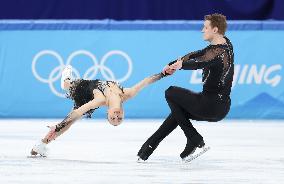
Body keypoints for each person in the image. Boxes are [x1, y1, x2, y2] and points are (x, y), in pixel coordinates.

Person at [137, 13, 234, 162]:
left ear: (215, 30)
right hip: (221, 107)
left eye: (205, 27)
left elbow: (199, 62)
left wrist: (180, 65)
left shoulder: (218, 52)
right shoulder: (226, 44)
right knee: (178, 112)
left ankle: (193, 137)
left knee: (171, 92)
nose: (202, 30)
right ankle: (147, 148)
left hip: (210, 105)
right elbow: (199, 54)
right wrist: (174, 64)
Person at [30, 65, 168, 157]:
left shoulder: (100, 100)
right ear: (123, 114)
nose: (116, 116)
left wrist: (59, 124)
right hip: (93, 87)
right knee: (67, 88)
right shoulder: (128, 93)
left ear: (107, 113)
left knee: (69, 102)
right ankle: (42, 143)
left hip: (84, 90)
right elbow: (146, 82)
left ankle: (41, 144)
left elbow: (79, 112)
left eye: (113, 119)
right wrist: (163, 74)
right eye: (119, 119)